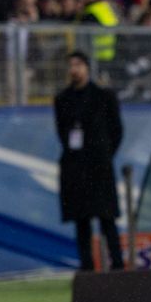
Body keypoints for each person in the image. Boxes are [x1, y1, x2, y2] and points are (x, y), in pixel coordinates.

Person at [53, 51, 125, 271]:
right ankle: (87, 266)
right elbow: (62, 132)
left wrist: (104, 153)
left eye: (79, 65)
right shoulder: (62, 99)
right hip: (75, 166)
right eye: (71, 65)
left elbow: (116, 130)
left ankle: (117, 264)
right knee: (81, 220)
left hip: (99, 165)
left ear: (87, 68)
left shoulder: (104, 96)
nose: (74, 69)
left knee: (107, 218)